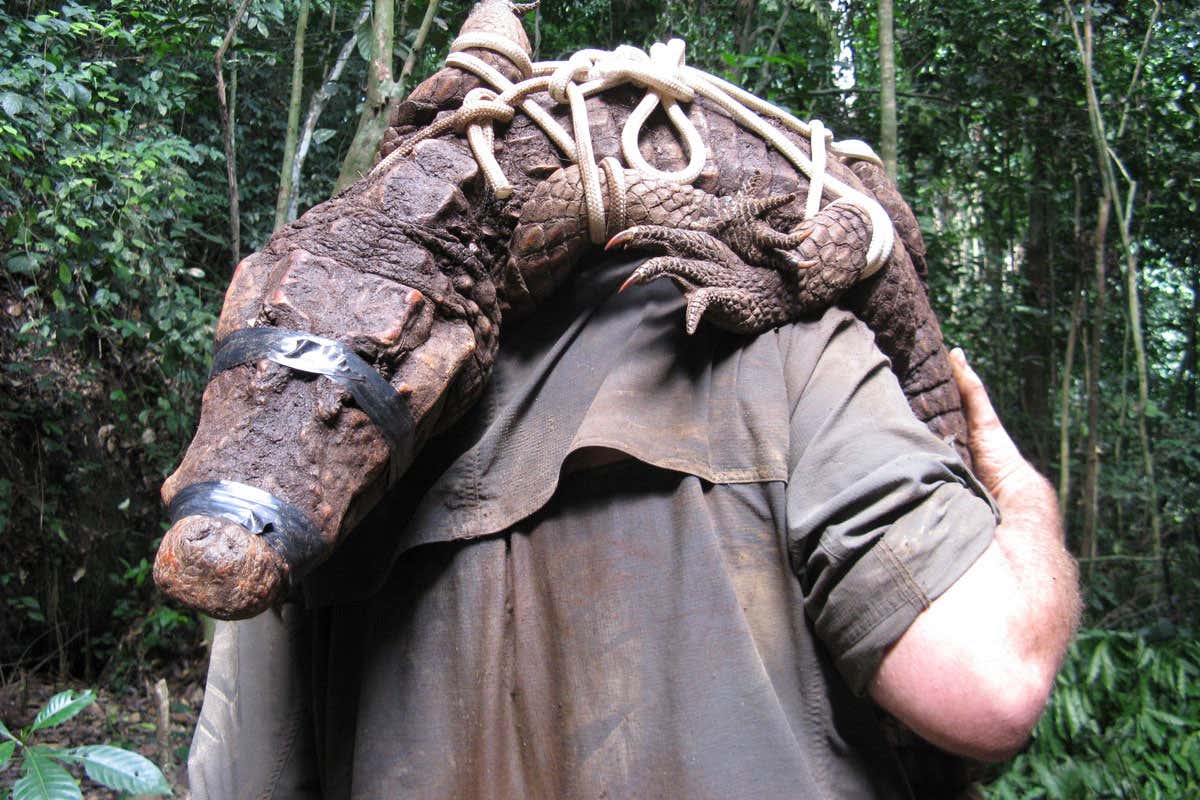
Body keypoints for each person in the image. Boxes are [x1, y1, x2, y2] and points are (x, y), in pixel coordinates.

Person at [187, 254, 1079, 799]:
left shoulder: (323, 417)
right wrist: (1022, 494)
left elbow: (242, 778)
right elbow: (988, 685)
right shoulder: (794, 351)